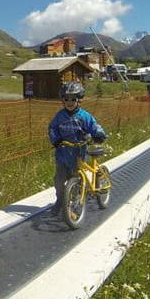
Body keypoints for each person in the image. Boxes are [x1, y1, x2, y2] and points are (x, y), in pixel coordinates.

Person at [48, 81, 107, 218]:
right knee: (59, 180)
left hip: (78, 154)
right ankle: (60, 200)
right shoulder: (59, 116)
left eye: (73, 99)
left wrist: (99, 135)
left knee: (75, 181)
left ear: (79, 100)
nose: (69, 102)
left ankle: (73, 208)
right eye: (66, 99)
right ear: (62, 100)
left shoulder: (84, 116)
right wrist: (56, 139)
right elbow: (52, 128)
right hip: (62, 154)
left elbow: (95, 126)